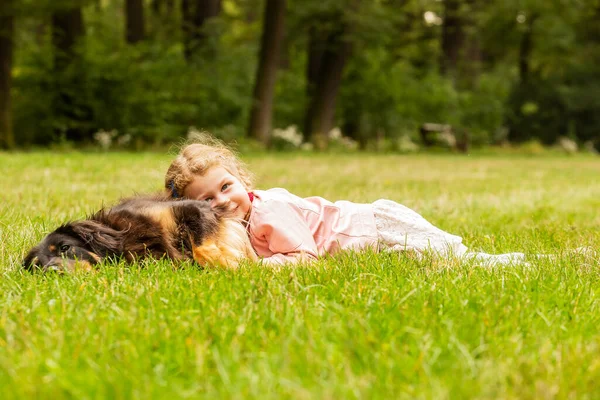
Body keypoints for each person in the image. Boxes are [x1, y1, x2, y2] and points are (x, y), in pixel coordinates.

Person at [163, 137, 577, 267]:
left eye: (226, 186)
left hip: (376, 227)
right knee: (438, 264)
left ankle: (543, 262)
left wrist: (256, 269)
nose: (223, 201)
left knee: (462, 259)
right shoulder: (234, 225)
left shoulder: (266, 210)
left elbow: (304, 255)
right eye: (208, 201)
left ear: (242, 179)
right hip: (372, 240)